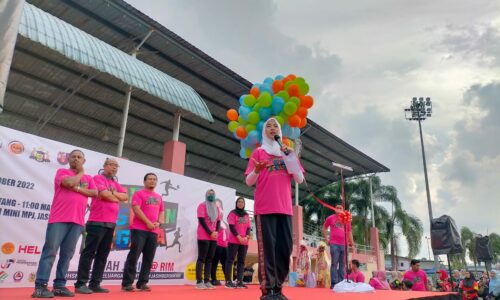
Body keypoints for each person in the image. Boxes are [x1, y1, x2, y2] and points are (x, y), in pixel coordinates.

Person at [245, 117, 304, 300]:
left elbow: (300, 179)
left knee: (284, 250)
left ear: (280, 131)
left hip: (285, 208)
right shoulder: (259, 153)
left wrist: (291, 157)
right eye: (268, 126)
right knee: (268, 250)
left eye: (275, 126)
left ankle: (278, 289)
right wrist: (257, 170)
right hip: (265, 208)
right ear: (264, 132)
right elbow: (248, 181)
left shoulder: (286, 153)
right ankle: (268, 290)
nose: (272, 128)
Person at [32, 150, 97, 298]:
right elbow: (68, 182)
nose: (76, 159)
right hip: (59, 219)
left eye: (79, 157)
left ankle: (59, 286)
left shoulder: (89, 178)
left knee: (67, 255)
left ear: (84, 160)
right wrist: (80, 174)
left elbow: (94, 193)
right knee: (50, 251)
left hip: (78, 221)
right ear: (68, 159)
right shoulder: (62, 171)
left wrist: (77, 188)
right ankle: (40, 286)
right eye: (73, 157)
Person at [75, 158, 128, 294]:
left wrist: (113, 194)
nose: (114, 168)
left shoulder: (115, 183)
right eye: (111, 165)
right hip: (96, 222)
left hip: (111, 224)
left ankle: (95, 283)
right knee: (89, 253)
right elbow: (104, 195)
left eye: (116, 166)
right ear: (104, 166)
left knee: (103, 255)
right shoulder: (97, 178)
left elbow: (125, 197)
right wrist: (115, 196)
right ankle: (81, 283)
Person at [121, 173, 164, 292]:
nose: (152, 181)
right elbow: (136, 208)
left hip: (154, 231)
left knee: (149, 258)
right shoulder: (139, 194)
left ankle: (142, 283)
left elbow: (162, 212)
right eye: (150, 179)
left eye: (154, 179)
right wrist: (148, 222)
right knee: (134, 256)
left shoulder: (159, 197)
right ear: (144, 181)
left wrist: (159, 223)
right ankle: (127, 283)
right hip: (139, 229)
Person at [322, 203, 355, 287]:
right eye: (337, 207)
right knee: (334, 263)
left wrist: (352, 244)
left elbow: (349, 232)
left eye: (340, 208)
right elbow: (324, 228)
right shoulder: (330, 218)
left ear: (343, 209)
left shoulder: (347, 219)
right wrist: (326, 239)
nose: (338, 209)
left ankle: (341, 283)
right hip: (334, 244)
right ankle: (334, 283)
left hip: (344, 245)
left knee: (342, 264)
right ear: (334, 208)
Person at [195, 189, 221, 289]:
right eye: (209, 194)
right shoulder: (202, 205)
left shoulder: (216, 207)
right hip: (203, 236)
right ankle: (199, 281)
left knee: (210, 259)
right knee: (201, 258)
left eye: (213, 194)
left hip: (214, 237)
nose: (211, 195)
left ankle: (207, 281)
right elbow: (201, 220)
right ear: (206, 195)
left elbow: (218, 222)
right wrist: (210, 232)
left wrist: (216, 232)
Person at [225, 197, 252, 289]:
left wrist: (246, 236)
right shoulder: (232, 213)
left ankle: (240, 281)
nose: (240, 203)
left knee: (241, 261)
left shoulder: (247, 215)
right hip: (234, 240)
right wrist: (238, 237)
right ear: (236, 203)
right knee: (230, 260)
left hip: (244, 242)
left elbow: (249, 227)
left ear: (244, 204)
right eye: (239, 202)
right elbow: (232, 227)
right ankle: (228, 281)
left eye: (242, 202)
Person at [211, 199, 228, 286]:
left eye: (220, 208)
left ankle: (227, 280)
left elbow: (228, 235)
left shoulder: (225, 223)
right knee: (214, 262)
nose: (219, 210)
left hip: (225, 246)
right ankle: (213, 279)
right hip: (217, 245)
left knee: (225, 263)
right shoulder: (214, 221)